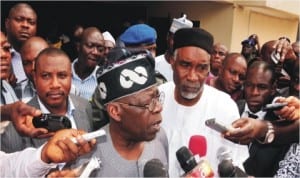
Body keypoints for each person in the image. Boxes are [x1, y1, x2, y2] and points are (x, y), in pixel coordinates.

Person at [158, 28, 248, 177]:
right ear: (172, 63)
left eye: (202, 68)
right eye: (185, 65)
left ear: (209, 69)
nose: (193, 77)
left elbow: (235, 164)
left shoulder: (225, 106)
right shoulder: (156, 98)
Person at [69, 48, 168, 177]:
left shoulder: (159, 136)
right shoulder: (86, 159)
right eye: (148, 103)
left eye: (157, 98)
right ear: (115, 111)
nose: (158, 107)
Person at [2, 48, 93, 152]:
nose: (55, 84)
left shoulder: (85, 106)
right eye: (46, 76)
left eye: (62, 75)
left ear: (71, 77)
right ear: (35, 78)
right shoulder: (15, 129)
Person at [233, 60, 292, 177]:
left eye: (262, 87)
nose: (254, 92)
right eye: (249, 85)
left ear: (273, 88)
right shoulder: (231, 108)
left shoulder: (281, 124)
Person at [5, 3, 37, 87]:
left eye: (31, 22)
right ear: (7, 23)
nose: (25, 25)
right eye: (19, 20)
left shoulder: (44, 56)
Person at [155, 14, 193, 81]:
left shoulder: (192, 68)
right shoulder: (154, 64)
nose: (178, 44)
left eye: (183, 40)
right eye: (175, 39)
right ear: (167, 37)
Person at [72, 27, 105, 100]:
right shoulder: (62, 72)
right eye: (90, 46)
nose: (95, 52)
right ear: (78, 46)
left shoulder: (104, 78)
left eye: (100, 49)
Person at [15, 36, 49, 103]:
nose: (33, 67)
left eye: (37, 60)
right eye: (26, 63)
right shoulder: (16, 93)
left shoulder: (68, 89)